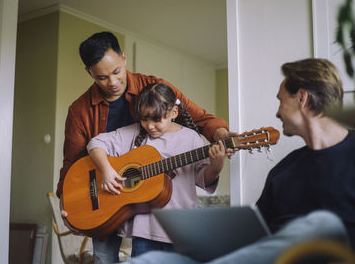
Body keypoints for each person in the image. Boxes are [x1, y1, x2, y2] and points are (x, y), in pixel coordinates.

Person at [121, 58, 355, 263]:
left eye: (281, 100)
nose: (277, 112)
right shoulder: (283, 172)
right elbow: (255, 237)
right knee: (152, 260)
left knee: (321, 224)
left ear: (302, 98)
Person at [57, 31, 231, 263]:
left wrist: (223, 139)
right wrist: (69, 208)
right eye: (101, 77)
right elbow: (71, 163)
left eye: (116, 72)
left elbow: (200, 119)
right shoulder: (79, 111)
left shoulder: (154, 89)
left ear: (124, 59)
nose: (112, 82)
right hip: (105, 198)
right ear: (89, 72)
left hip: (146, 207)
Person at [88, 83, 226, 257]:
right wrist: (106, 170)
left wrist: (216, 165)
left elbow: (202, 178)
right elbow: (95, 143)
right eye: (144, 119)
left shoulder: (191, 138)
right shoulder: (135, 133)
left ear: (174, 113)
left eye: (156, 119)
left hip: (181, 230)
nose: (150, 126)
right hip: (144, 232)